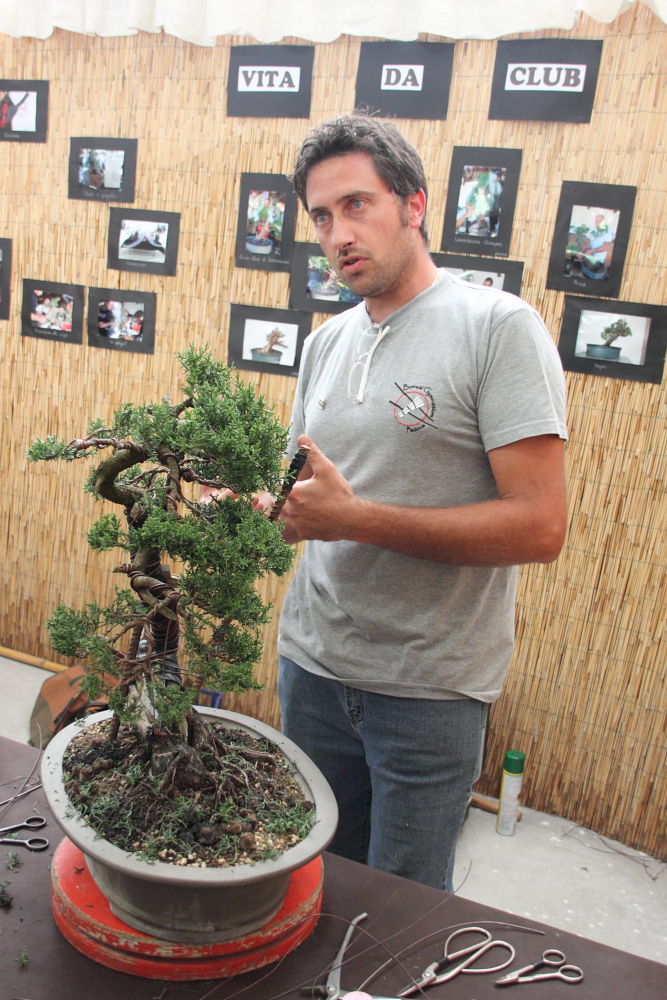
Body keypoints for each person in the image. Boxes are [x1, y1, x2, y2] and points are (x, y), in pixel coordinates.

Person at [274, 113, 568, 894]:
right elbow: (304, 497)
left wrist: (356, 521)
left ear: (413, 204)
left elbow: (540, 527)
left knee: (401, 910)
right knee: (312, 881)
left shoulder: (497, 329)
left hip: (429, 687)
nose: (338, 234)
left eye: (356, 204)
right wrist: (251, 505)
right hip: (311, 665)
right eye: (321, 217)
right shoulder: (325, 343)